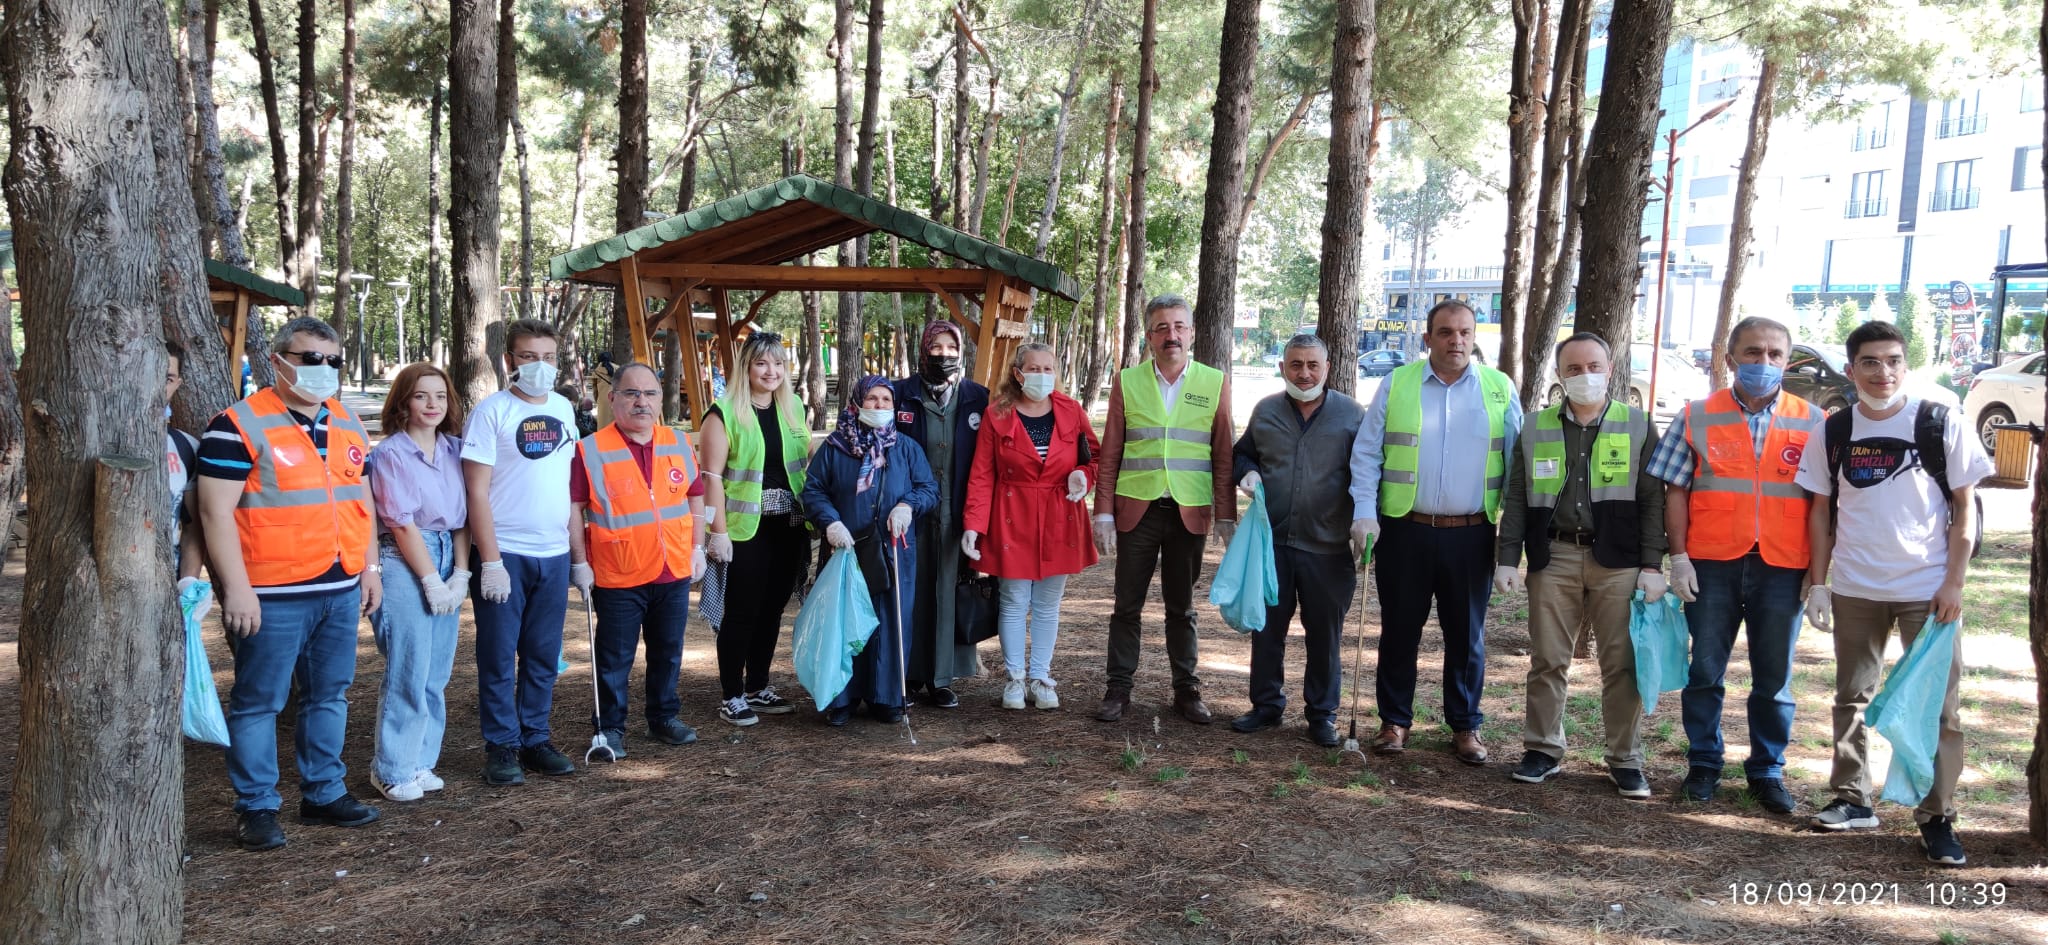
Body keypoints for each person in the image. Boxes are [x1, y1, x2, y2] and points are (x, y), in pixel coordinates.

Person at [1797, 320, 1990, 865]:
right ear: (1852, 368)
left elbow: (1963, 511)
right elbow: (1820, 513)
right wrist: (1820, 583)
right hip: (1856, 588)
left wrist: (1954, 581)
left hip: (1928, 592)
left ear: (1906, 364)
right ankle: (1851, 798)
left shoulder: (1938, 421)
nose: (1884, 372)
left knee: (1937, 708)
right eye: (1871, 362)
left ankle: (1937, 816)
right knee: (1850, 698)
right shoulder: (1833, 431)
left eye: (1894, 360)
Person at [197, 317, 382, 851]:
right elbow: (214, 514)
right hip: (271, 593)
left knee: (330, 695)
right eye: (309, 359)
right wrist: (235, 589)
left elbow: (361, 501)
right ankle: (256, 806)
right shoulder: (236, 424)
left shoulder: (346, 422)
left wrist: (369, 568)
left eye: (332, 361)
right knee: (260, 702)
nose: (322, 371)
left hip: (340, 584)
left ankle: (323, 792)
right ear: (277, 361)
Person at [1646, 315, 1820, 813]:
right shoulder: (1697, 414)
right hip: (1711, 562)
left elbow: (1823, 503)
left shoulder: (1812, 421)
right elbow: (1674, 490)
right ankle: (1704, 763)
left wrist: (1818, 574)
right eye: (1752, 352)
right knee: (1704, 671)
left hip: (1782, 566)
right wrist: (1677, 557)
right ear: (1730, 358)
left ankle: (1767, 771)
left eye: (1774, 355)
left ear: (1787, 362)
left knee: (1774, 678)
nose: (1763, 362)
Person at [1347, 299, 1520, 764]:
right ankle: (1394, 722)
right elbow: (1367, 453)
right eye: (1445, 332)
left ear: (1474, 337)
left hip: (1471, 533)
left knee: (1467, 634)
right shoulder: (1397, 383)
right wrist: (1365, 511)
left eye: (1464, 332)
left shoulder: (1499, 389)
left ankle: (1465, 726)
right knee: (1400, 630)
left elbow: (1517, 468)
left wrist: (1512, 543)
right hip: (1406, 530)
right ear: (1427, 339)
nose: (1456, 341)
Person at [1494, 333, 1667, 798]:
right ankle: (1542, 749)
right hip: (1554, 556)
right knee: (1548, 659)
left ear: (1610, 370)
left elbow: (1654, 500)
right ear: (1560, 375)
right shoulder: (1534, 427)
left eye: (1593, 366)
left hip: (1620, 561)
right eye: (1573, 369)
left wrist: (1653, 564)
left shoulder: (1638, 425)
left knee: (1622, 663)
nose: (1584, 376)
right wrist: (1508, 558)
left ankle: (1625, 759)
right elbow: (1515, 496)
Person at [1091, 295, 1237, 725]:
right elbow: (1111, 452)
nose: (1170, 335)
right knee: (1126, 605)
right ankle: (1118, 688)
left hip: (1189, 511)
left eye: (1178, 326)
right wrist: (1102, 512)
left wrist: (1225, 514)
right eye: (1161, 327)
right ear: (1149, 335)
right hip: (1138, 510)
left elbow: (1222, 454)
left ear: (1191, 333)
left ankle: (1186, 690)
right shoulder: (1128, 381)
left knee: (1182, 606)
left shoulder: (1214, 381)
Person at [1227, 334, 1365, 747]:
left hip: (1329, 547)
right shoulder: (1266, 410)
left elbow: (1370, 472)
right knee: (1266, 629)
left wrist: (1365, 521)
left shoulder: (1351, 416)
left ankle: (1322, 714)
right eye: (1295, 364)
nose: (1304, 373)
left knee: (1325, 636)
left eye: (1312, 365)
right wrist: (1246, 472)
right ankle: (1266, 705)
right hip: (1273, 545)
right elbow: (1242, 453)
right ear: (1283, 366)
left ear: (1327, 368)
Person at [462, 318, 581, 784]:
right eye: (529, 357)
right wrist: (489, 561)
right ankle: (502, 745)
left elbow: (567, 487)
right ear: (509, 361)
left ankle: (535, 737)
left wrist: (577, 556)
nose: (540, 366)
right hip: (505, 551)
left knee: (542, 653)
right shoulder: (492, 412)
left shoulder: (565, 409)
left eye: (548, 357)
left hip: (552, 554)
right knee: (497, 654)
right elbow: (475, 491)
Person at [568, 363, 707, 759]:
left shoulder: (677, 443)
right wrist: (580, 563)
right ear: (612, 399)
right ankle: (609, 727)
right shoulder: (590, 449)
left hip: (672, 569)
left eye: (649, 393)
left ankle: (663, 716)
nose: (640, 402)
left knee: (668, 649)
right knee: (614, 657)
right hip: (618, 572)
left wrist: (698, 547)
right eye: (631, 393)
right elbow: (574, 510)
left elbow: (695, 497)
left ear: (660, 400)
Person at [961, 343, 1100, 710]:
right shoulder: (998, 414)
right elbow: (982, 473)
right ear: (1018, 373)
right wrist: (973, 524)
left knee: (1048, 604)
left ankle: (1040, 676)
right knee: (1013, 601)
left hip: (1060, 512)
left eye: (1048, 368)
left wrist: (1083, 476)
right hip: (1012, 514)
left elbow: (1096, 457)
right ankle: (1014, 679)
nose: (1041, 375)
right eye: (1033, 368)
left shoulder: (1071, 411)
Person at [801, 375, 939, 726]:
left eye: (885, 400)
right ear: (857, 403)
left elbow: (928, 488)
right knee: (845, 621)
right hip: (846, 548)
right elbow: (814, 490)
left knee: (889, 621)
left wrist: (908, 505)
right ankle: (842, 697)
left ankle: (887, 697)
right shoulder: (834, 447)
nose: (879, 406)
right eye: (872, 399)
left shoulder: (906, 448)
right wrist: (830, 522)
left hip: (894, 550)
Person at [364, 363, 470, 803]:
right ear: (403, 401)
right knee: (410, 665)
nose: (432, 405)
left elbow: (466, 518)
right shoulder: (390, 454)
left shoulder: (456, 450)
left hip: (449, 549)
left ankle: (420, 760)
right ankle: (390, 769)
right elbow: (402, 524)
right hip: (406, 556)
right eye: (422, 396)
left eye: (440, 396)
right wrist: (430, 580)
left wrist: (460, 572)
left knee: (437, 670)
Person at [700, 332, 812, 726]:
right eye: (762, 363)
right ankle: (732, 693)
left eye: (779, 363)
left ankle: (758, 686)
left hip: (791, 525)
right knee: (743, 611)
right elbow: (710, 476)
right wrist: (717, 532)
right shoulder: (724, 412)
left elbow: (803, 462)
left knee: (773, 609)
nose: (772, 371)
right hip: (745, 528)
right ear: (746, 367)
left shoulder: (793, 407)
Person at [892, 321, 989, 708]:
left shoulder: (977, 398)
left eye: (951, 347)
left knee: (948, 589)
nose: (943, 354)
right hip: (908, 512)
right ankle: (907, 674)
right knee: (911, 590)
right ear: (922, 349)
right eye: (935, 347)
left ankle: (942, 677)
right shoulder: (899, 395)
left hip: (957, 511)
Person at [165, 342, 210, 614]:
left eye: (168, 378)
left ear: (178, 383)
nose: (158, 386)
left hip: (167, 580)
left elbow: (193, 526)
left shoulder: (186, 447)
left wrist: (189, 581)